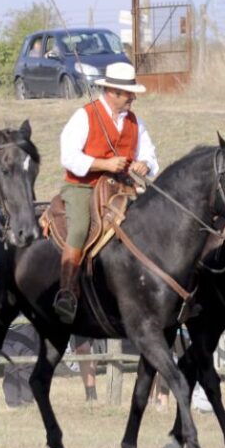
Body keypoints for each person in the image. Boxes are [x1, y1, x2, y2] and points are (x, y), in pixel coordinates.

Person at [54, 62, 158, 324]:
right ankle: (67, 291)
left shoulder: (135, 121)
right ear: (112, 92)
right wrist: (104, 164)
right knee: (79, 227)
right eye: (128, 93)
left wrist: (144, 164)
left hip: (121, 187)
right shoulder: (84, 116)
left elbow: (149, 154)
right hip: (83, 185)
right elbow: (68, 157)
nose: (133, 97)